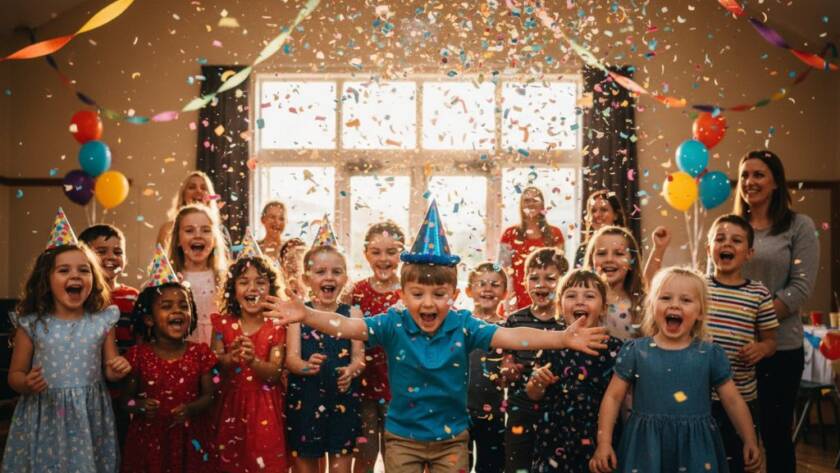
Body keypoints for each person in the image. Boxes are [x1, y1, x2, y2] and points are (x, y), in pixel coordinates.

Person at [264, 201, 607, 473]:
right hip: (402, 440)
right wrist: (308, 314)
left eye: (439, 294)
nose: (428, 303)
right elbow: (350, 328)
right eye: (417, 294)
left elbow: (511, 336)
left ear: (454, 293)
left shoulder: (463, 325)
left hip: (452, 440)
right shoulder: (394, 322)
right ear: (402, 293)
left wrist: (562, 338)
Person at [590, 267, 761, 473]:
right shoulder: (636, 351)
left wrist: (749, 439)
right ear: (652, 306)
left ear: (700, 312)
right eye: (665, 298)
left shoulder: (709, 354)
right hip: (645, 447)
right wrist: (604, 443)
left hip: (695, 448)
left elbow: (733, 401)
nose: (674, 305)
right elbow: (613, 398)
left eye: (686, 300)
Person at [3, 210, 131, 471]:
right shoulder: (33, 324)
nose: (75, 276)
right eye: (64, 270)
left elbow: (109, 366)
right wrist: (26, 384)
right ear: (46, 281)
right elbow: (15, 374)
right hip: (44, 413)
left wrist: (117, 368)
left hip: (89, 415)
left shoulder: (102, 321)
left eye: (84, 270)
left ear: (93, 279)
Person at [734, 150, 820, 473]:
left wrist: (754, 318)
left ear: (775, 183)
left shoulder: (799, 226)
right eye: (744, 175)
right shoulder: (732, 227)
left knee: (775, 436)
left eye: (758, 175)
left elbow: (800, 288)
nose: (749, 182)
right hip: (735, 349)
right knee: (735, 437)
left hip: (780, 350)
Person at [121, 253, 217, 473]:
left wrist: (191, 409)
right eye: (166, 306)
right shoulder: (138, 356)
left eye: (183, 306)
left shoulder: (200, 353)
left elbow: (210, 396)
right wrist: (141, 406)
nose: (177, 311)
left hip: (190, 439)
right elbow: (125, 401)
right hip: (149, 441)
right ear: (149, 318)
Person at [527, 269, 623, 472]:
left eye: (589, 296)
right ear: (560, 307)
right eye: (571, 296)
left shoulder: (615, 349)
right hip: (554, 440)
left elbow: (618, 399)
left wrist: (605, 444)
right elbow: (533, 394)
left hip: (597, 440)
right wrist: (537, 382)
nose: (580, 301)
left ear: (604, 308)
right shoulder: (552, 343)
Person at [705, 213, 779, 472]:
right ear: (709, 248)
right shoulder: (698, 288)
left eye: (736, 241)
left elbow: (771, 341)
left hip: (743, 398)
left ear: (749, 253)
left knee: (740, 460)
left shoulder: (758, 293)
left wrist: (761, 348)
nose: (727, 244)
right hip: (700, 397)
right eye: (720, 239)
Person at [286, 243, 364, 473]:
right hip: (306, 402)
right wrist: (306, 366)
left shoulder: (353, 313)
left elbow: (360, 358)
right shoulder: (297, 313)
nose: (329, 277)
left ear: (345, 278)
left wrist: (351, 370)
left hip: (343, 402)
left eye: (336, 272)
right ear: (306, 278)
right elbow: (291, 359)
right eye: (320, 272)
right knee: (306, 465)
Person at [211, 255, 288, 472]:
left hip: (265, 410)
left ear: (271, 288)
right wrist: (229, 359)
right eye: (244, 281)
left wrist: (253, 361)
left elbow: (274, 373)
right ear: (233, 289)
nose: (252, 288)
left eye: (261, 282)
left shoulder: (277, 326)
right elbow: (213, 369)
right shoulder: (222, 324)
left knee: (265, 463)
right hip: (228, 409)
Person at [499, 248, 569, 473]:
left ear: (563, 282)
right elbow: (506, 358)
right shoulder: (515, 319)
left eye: (550, 279)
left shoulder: (566, 323)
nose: (541, 285)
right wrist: (508, 367)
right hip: (521, 406)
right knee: (517, 464)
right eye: (534, 278)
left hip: (557, 408)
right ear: (524, 281)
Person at [350, 221, 405, 473]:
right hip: (363, 385)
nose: (384, 259)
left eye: (391, 252)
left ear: (402, 254)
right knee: (365, 455)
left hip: (400, 386)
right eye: (376, 252)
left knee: (397, 456)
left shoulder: (409, 292)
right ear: (366, 254)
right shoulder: (357, 292)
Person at [78, 224, 140, 445]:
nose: (111, 257)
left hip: (122, 386)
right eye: (101, 251)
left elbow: (141, 339)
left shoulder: (133, 297)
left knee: (120, 439)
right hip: (86, 386)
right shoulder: (78, 297)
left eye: (118, 251)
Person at [464, 262, 507, 473]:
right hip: (460, 410)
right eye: (481, 283)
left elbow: (509, 364)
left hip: (494, 413)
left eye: (495, 284)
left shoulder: (507, 328)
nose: (488, 289)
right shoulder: (461, 325)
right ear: (468, 290)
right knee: (458, 465)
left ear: (505, 293)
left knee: (491, 466)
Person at [168, 204, 228, 345]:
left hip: (217, 349)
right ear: (177, 239)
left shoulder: (223, 278)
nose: (198, 235)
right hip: (182, 349)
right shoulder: (171, 279)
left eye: (206, 230)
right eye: (189, 230)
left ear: (214, 239)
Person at [499, 186, 565, 313]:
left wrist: (555, 298)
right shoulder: (509, 233)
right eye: (527, 200)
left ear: (542, 205)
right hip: (516, 298)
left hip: (547, 296)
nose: (531, 203)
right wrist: (509, 299)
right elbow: (504, 270)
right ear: (521, 205)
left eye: (535, 200)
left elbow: (560, 271)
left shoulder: (555, 234)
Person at [583, 226, 644, 340]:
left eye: (619, 254)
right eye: (601, 253)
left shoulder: (641, 303)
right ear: (592, 260)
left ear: (632, 261)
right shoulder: (580, 301)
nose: (609, 259)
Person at [156, 170, 231, 253]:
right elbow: (159, 263)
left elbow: (227, 264)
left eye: (203, 188)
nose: (198, 191)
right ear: (183, 195)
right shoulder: (167, 230)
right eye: (192, 187)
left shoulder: (220, 231)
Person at [575, 190, 627, 267]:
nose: (597, 215)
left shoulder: (627, 245)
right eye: (593, 211)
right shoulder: (582, 249)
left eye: (603, 210)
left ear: (616, 215)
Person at [258, 200, 287, 266]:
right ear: (263, 220)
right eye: (272, 217)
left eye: (281, 218)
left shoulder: (291, 249)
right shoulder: (254, 248)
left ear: (286, 222)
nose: (277, 222)